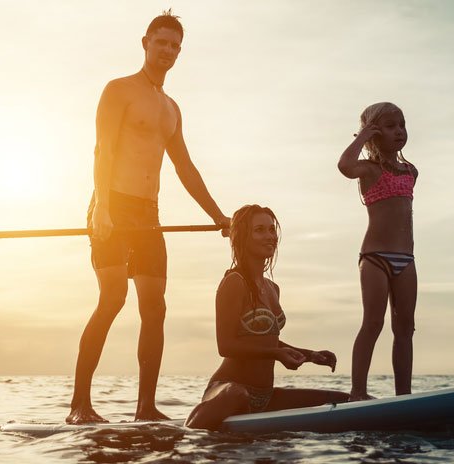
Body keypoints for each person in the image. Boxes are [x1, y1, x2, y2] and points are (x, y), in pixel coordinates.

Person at [68, 11, 231, 424]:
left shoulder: (172, 109)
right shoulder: (118, 90)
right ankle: (79, 406)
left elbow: (185, 169)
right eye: (161, 42)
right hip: (112, 204)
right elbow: (102, 149)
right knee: (112, 299)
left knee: (154, 308)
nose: (168, 51)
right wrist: (102, 206)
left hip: (148, 214)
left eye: (175, 46)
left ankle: (146, 408)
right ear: (145, 43)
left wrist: (219, 216)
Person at [185, 205, 348, 430]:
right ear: (243, 237)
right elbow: (226, 346)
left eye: (272, 230)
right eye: (260, 230)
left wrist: (310, 355)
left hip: (265, 396)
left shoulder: (273, 288)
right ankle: (187, 433)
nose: (270, 236)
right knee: (236, 394)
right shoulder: (234, 282)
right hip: (226, 391)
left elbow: (268, 342)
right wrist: (276, 354)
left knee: (342, 400)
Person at [337, 102, 418, 400]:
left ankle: (404, 396)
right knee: (373, 322)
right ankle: (357, 392)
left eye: (402, 124)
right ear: (374, 133)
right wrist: (362, 137)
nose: (398, 131)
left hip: (405, 260)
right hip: (375, 258)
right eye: (389, 126)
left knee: (405, 328)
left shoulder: (411, 171)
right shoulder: (368, 169)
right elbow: (344, 165)